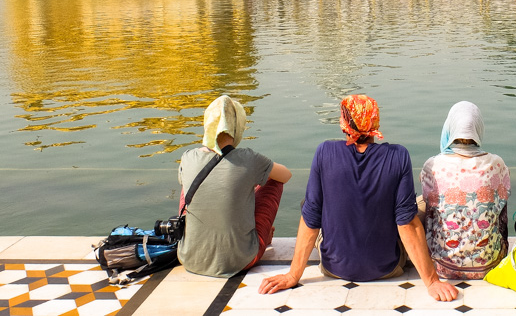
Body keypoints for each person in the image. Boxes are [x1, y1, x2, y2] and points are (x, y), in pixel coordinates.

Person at [260, 94, 458, 302]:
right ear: (375, 121)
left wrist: (293, 275)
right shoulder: (398, 156)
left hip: (333, 267)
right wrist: (432, 281)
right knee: (415, 208)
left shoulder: (324, 152)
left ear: (344, 124)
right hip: (386, 268)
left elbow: (311, 219)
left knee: (309, 204)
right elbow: (406, 224)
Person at [177, 95, 292, 277]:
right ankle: (262, 236)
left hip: (189, 258)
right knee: (273, 180)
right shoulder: (249, 158)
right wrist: (251, 180)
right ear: (237, 126)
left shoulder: (188, 157)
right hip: (241, 259)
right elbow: (286, 175)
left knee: (188, 185)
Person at [420, 101, 510, 279]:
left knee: (421, 203)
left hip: (442, 266)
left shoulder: (432, 165)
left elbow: (431, 214)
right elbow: (502, 216)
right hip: (490, 265)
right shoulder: (497, 164)